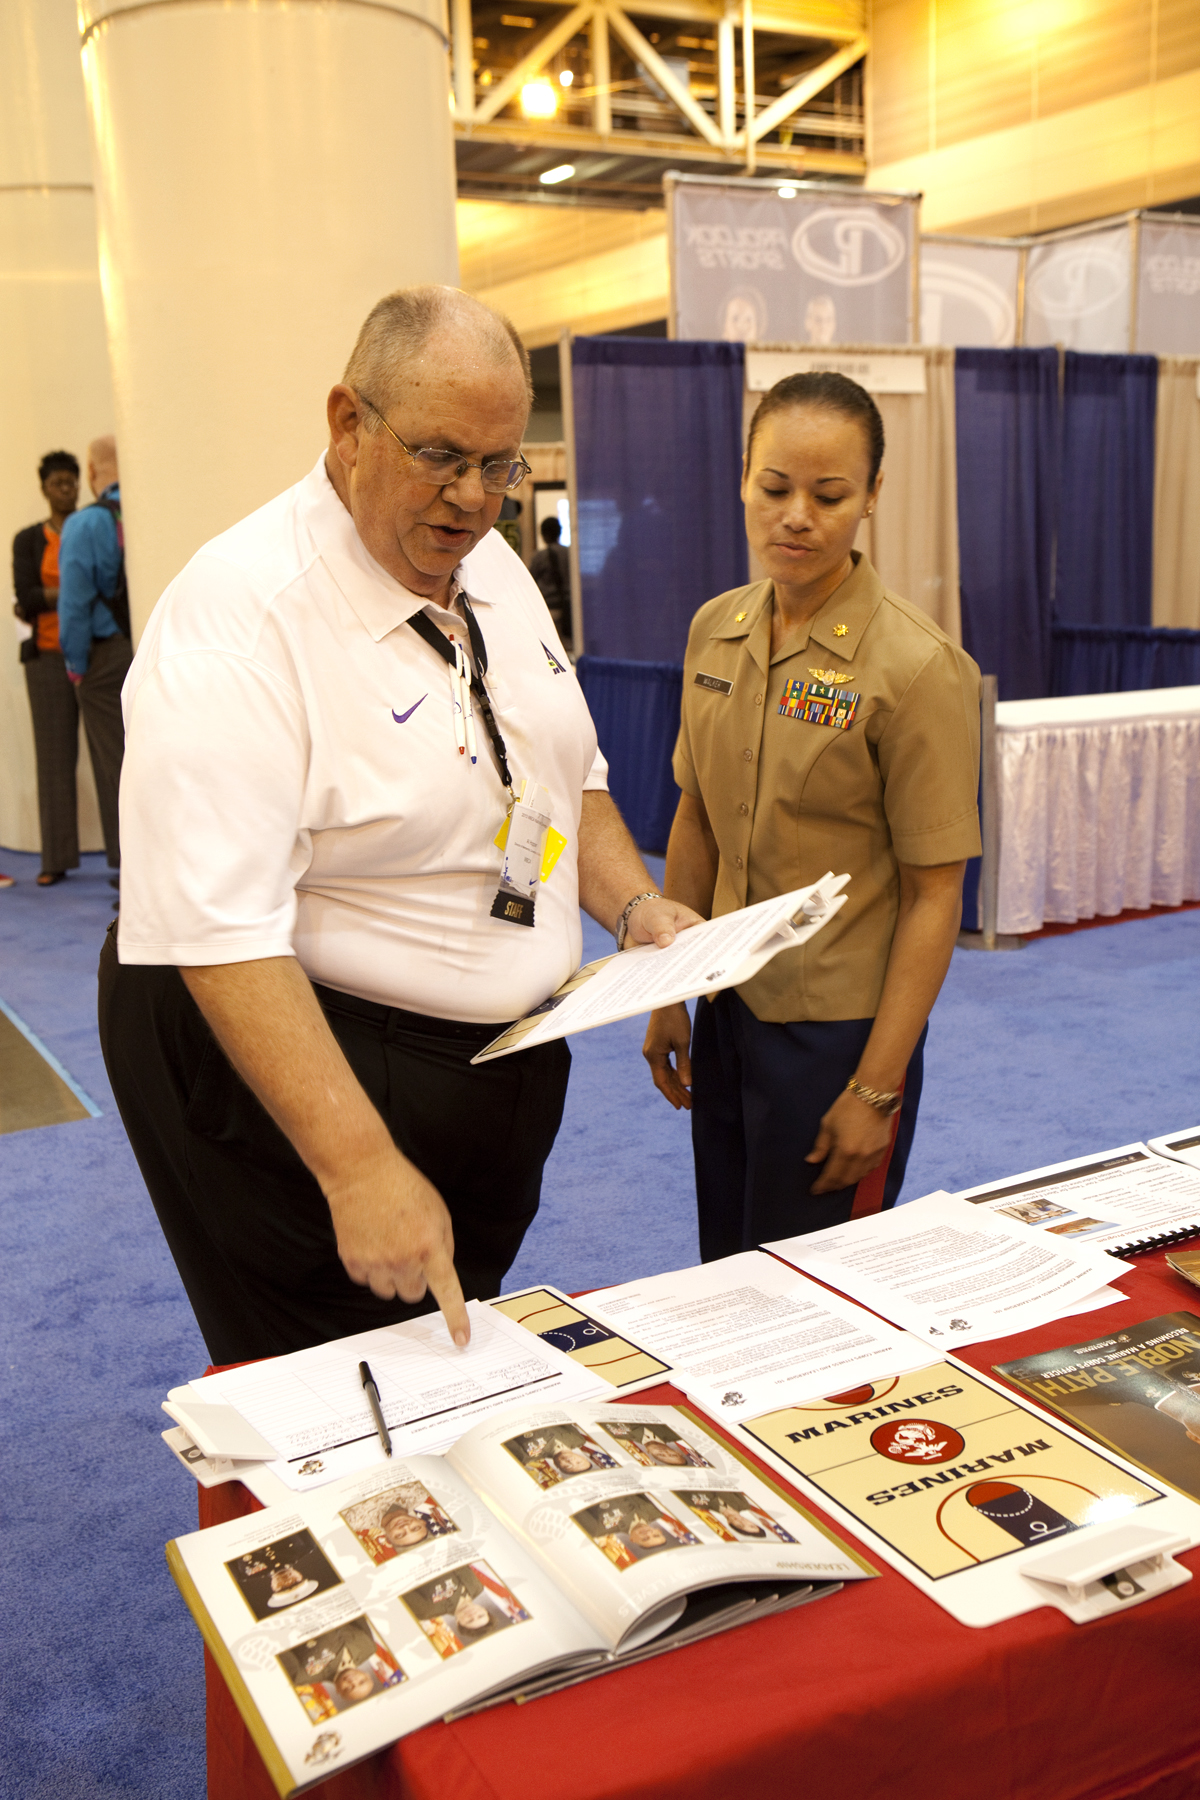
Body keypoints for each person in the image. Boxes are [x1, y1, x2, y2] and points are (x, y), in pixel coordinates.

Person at [98, 285, 699, 1366]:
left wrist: (632, 903)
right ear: (348, 423)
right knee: (339, 1387)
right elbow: (218, 934)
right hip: (305, 1062)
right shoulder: (238, 620)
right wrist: (358, 1164)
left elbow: (567, 772)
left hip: (494, 1061)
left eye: (500, 465)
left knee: (447, 1358)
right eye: (440, 456)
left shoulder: (486, 561)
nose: (473, 498)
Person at [643, 371, 981, 1252]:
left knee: (819, 1283)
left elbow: (936, 893)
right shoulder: (715, 630)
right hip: (728, 1007)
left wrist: (877, 1088)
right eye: (774, 488)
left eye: (828, 495)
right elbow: (697, 818)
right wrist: (669, 995)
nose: (796, 516)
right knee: (726, 1263)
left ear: (871, 495)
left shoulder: (917, 667)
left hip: (838, 1038)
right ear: (743, 481)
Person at [57, 435, 131, 884]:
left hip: (104, 662)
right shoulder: (145, 511)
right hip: (151, 648)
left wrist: (76, 667)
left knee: (116, 768)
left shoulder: (84, 525)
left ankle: (132, 873)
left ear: (90, 470)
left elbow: (73, 606)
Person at [11, 452, 81, 885]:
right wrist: (75, 589)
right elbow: (27, 597)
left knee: (113, 760)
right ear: (44, 489)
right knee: (53, 761)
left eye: (72, 481)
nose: (66, 489)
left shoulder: (91, 528)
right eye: (58, 483)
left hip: (89, 654)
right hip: (46, 657)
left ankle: (123, 862)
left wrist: (50, 594)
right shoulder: (28, 539)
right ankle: (56, 859)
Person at [530, 514, 572, 648]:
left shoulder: (539, 557)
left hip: (548, 608)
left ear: (544, 534)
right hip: (569, 607)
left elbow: (530, 582)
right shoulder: (570, 553)